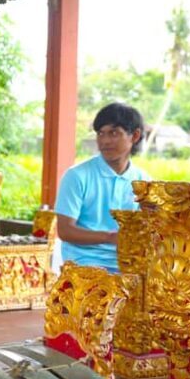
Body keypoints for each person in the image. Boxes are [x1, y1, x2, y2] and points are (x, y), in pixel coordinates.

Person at [56, 103, 149, 272]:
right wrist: (110, 237)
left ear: (135, 136)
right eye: (100, 133)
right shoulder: (77, 176)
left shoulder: (143, 181)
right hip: (83, 264)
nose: (104, 141)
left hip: (129, 264)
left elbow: (149, 227)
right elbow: (64, 230)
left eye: (113, 133)